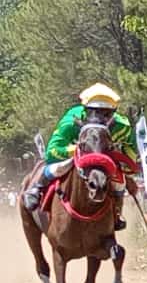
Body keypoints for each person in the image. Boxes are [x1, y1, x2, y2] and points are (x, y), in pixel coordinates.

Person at [22, 83, 138, 232]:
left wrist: (128, 162)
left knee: (119, 181)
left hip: (105, 156)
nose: (100, 117)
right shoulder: (71, 122)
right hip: (77, 154)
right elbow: (53, 151)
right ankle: (36, 189)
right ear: (85, 110)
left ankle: (116, 214)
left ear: (114, 113)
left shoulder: (122, 125)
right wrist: (77, 150)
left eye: (107, 113)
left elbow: (131, 145)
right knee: (57, 167)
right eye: (94, 112)